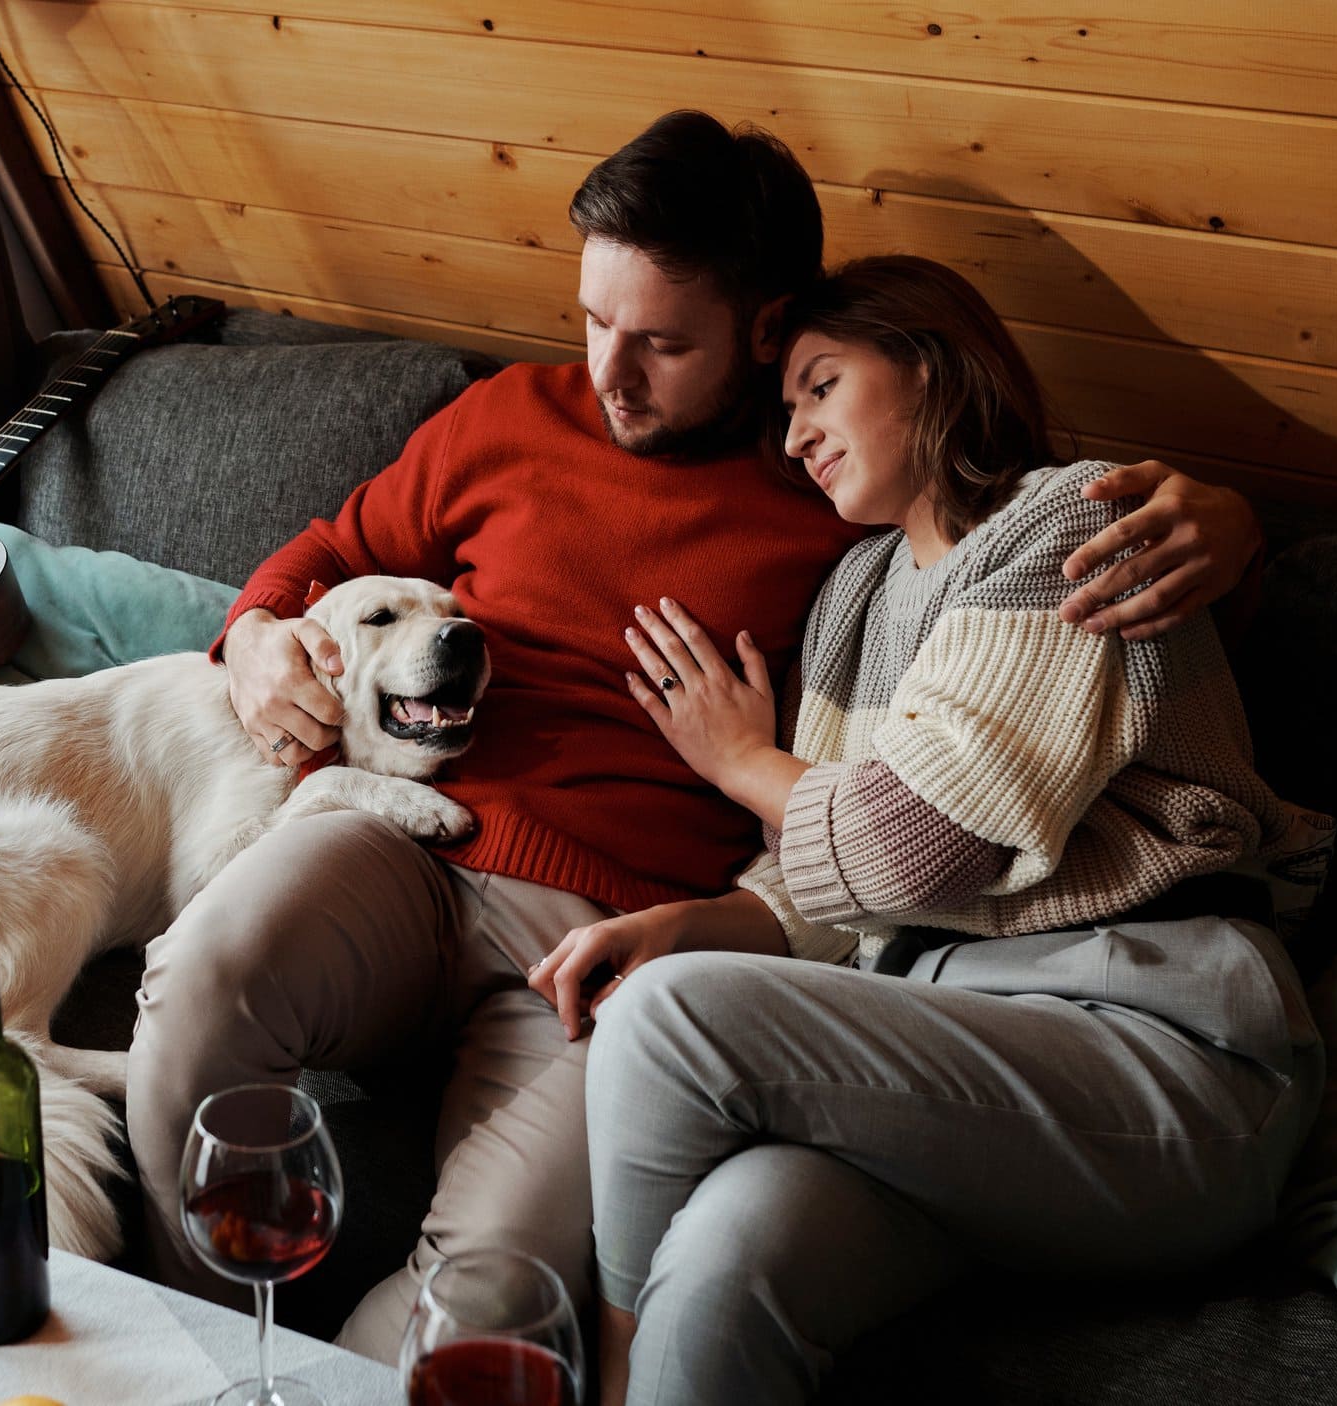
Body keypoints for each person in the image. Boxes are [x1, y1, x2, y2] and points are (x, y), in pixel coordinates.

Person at [127, 110, 1267, 1360]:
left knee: (489, 1299)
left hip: (619, 933)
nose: (609, 374)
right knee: (198, 983)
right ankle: (202, 1352)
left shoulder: (847, 516)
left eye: (662, 343)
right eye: (592, 321)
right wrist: (248, 635)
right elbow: (334, 553)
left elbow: (1026, 602)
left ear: (766, 326)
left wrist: (1229, 524)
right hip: (407, 847)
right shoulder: (512, 417)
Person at [537, 255, 1333, 1405]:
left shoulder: (1067, 516)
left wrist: (740, 758)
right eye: (786, 411)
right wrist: (705, 915)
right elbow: (849, 885)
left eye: (820, 384)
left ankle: (603, 1379)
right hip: (956, 1059)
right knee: (726, 1254)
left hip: (1161, 1052)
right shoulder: (857, 590)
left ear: (926, 359)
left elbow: (922, 844)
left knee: (671, 1019)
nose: (798, 433)